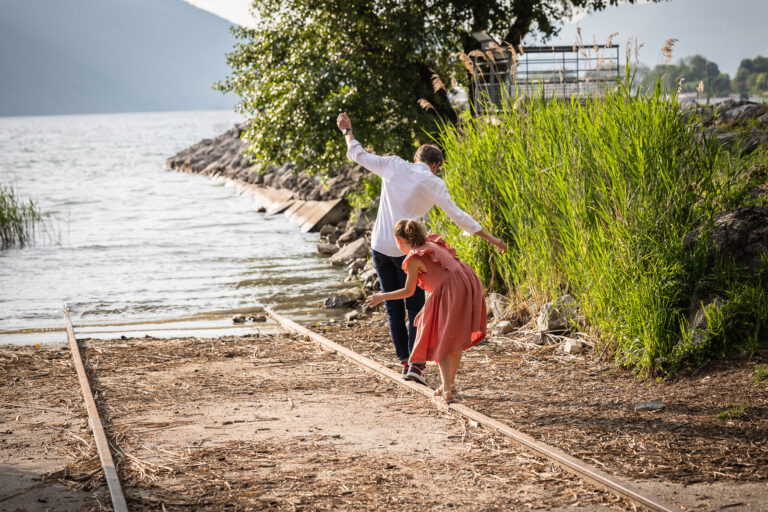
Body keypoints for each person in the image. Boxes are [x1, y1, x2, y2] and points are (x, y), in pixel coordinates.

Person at [337, 111, 505, 384]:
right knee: (415, 308)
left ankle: (404, 361)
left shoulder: (392, 164)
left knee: (393, 308)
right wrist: (492, 239)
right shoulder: (434, 182)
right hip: (411, 253)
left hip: (381, 246)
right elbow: (459, 215)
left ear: (416, 158)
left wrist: (347, 131)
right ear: (436, 164)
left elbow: (358, 154)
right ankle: (416, 365)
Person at [365, 219, 486, 402]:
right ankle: (450, 384)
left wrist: (382, 296)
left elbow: (408, 291)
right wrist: (426, 309)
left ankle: (446, 390)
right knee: (456, 336)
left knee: (441, 339)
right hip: (466, 281)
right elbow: (440, 280)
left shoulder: (414, 258)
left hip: (452, 289)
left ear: (399, 241)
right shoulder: (431, 243)